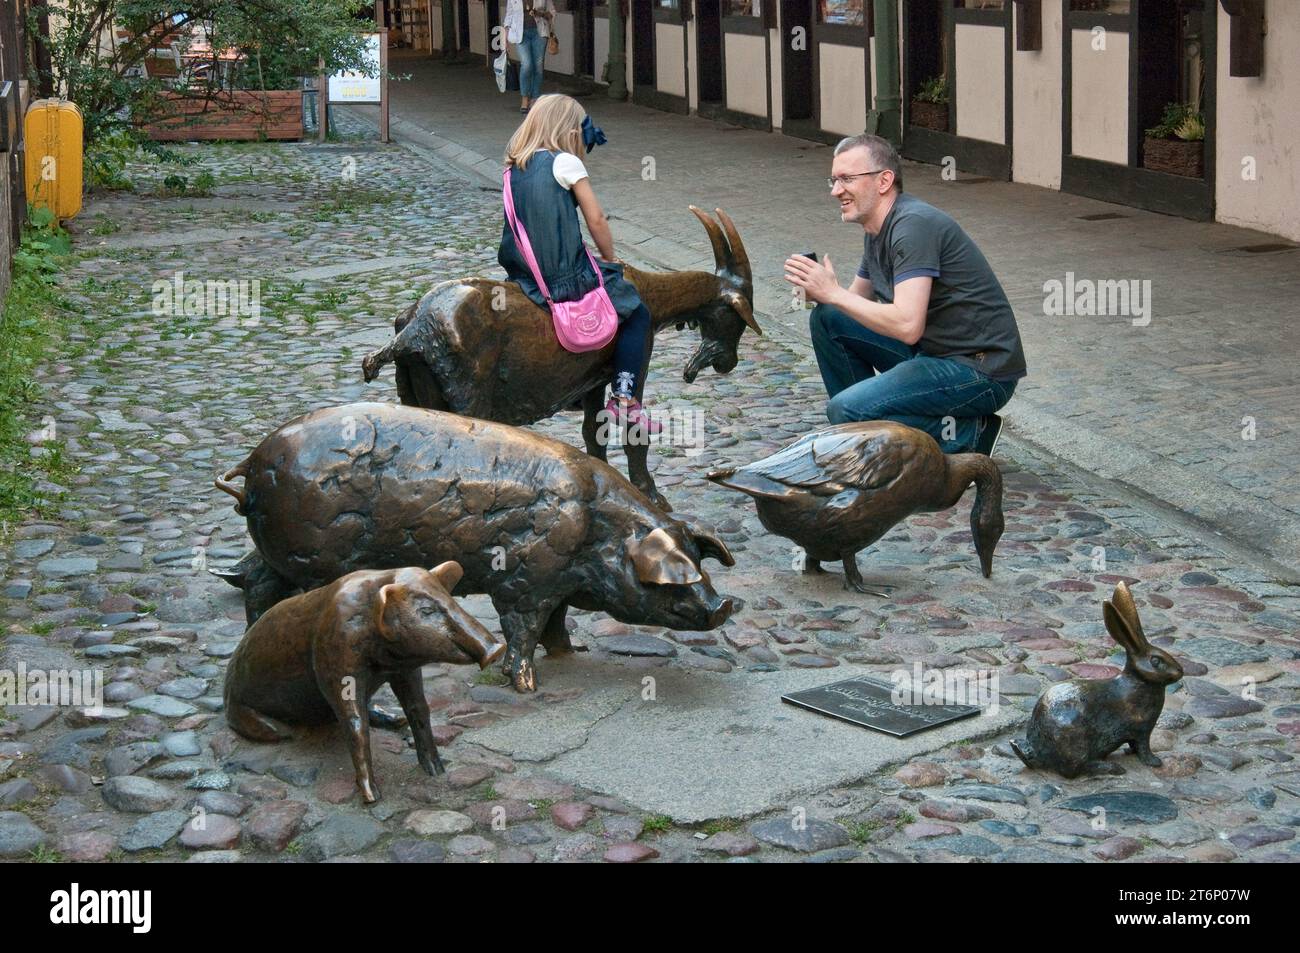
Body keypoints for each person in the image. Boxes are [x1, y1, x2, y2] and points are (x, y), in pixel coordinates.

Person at [784, 133, 1026, 456]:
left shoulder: (913, 227)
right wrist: (824, 294)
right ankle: (863, 438)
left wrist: (835, 293)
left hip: (980, 371)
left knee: (845, 409)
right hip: (932, 353)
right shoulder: (876, 230)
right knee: (828, 319)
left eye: (846, 179)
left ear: (884, 180)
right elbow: (853, 308)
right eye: (834, 179)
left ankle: (969, 432)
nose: (835, 190)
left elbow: (907, 324)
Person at [498, 94, 659, 431]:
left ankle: (577, 386)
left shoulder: (513, 169)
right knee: (635, 312)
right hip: (563, 274)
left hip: (526, 274)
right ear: (568, 130)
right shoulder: (565, 163)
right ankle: (625, 398)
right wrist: (611, 259)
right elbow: (596, 218)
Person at [505, 0, 557, 114]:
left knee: (538, 65)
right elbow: (509, 16)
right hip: (520, 34)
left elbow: (552, 12)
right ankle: (525, 97)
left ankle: (535, 98)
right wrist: (505, 38)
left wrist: (540, 14)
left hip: (539, 32)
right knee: (527, 64)